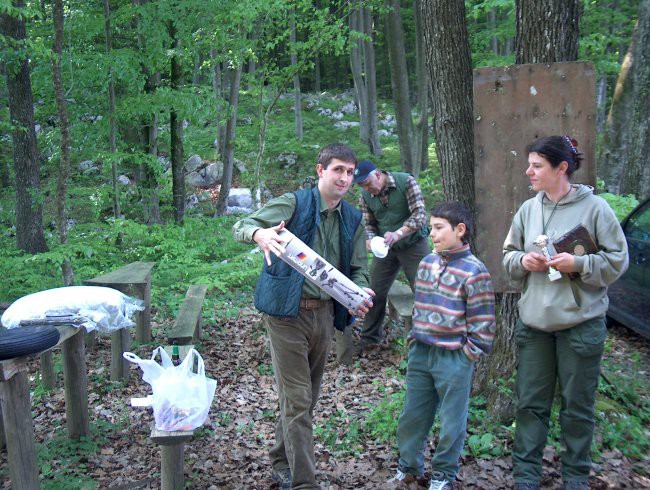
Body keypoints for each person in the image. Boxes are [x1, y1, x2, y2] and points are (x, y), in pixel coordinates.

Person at [232, 143, 373, 490]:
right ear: (320, 170)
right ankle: (303, 483)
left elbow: (358, 268)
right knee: (298, 399)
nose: (344, 178)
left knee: (305, 396)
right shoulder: (295, 203)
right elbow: (242, 224)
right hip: (285, 314)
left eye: (350, 172)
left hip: (325, 315)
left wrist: (362, 292)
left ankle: (281, 460)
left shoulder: (352, 218)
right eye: (337, 169)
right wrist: (258, 233)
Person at [503, 135, 628, 490]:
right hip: (535, 327)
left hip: (580, 326)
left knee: (577, 409)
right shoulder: (529, 209)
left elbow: (618, 261)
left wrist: (579, 263)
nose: (528, 171)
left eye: (537, 166)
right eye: (529, 164)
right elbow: (508, 254)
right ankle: (526, 478)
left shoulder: (596, 209)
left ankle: (575, 478)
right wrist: (523, 260)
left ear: (562, 168)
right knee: (530, 405)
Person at [390, 201, 496, 490]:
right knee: (412, 415)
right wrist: (414, 339)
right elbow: (421, 307)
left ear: (460, 230)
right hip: (421, 352)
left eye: (438, 228)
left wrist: (468, 354)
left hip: (454, 357)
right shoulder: (426, 264)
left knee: (452, 422)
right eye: (431, 228)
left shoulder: (476, 271)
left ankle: (442, 477)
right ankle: (408, 468)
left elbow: (484, 323)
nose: (432, 234)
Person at [353, 160, 430, 348]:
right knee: (373, 292)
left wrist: (399, 233)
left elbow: (420, 215)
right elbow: (368, 224)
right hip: (386, 248)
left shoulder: (406, 182)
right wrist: (371, 240)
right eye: (362, 185)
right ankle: (369, 340)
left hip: (413, 243)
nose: (367, 189)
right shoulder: (365, 195)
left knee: (424, 289)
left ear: (378, 174)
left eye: (368, 183)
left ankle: (426, 338)